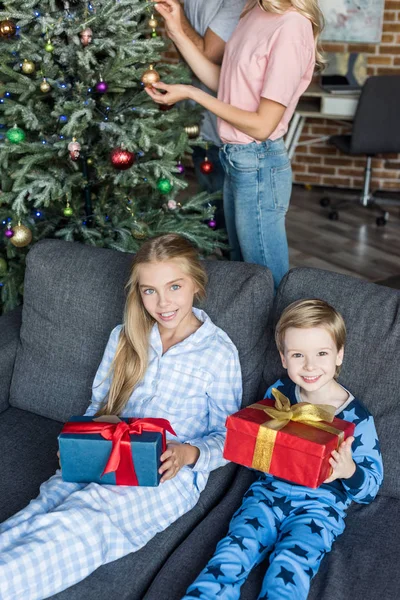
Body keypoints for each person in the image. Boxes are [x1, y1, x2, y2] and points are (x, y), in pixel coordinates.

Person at [0, 234, 242, 599]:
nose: (163, 303)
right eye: (149, 291)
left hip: (165, 472)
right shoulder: (125, 336)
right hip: (107, 452)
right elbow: (98, 405)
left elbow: (229, 438)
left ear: (196, 281)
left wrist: (187, 454)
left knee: (81, 520)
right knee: (45, 506)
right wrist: (88, 433)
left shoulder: (219, 352)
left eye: (174, 286)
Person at [182, 298, 383, 600]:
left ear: (339, 355)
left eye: (322, 353)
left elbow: (371, 487)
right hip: (266, 496)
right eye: (298, 354)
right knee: (232, 552)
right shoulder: (279, 395)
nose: (310, 365)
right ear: (284, 358)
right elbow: (259, 454)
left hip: (319, 509)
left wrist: (348, 470)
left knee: (290, 567)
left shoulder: (357, 418)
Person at [146, 0, 324, 289]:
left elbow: (263, 124)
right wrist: (176, 28)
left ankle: (278, 335)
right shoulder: (252, 10)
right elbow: (225, 85)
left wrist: (192, 92)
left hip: (259, 163)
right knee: (243, 271)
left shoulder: (292, 25)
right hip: (236, 160)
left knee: (267, 282)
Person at [180, 0, 247, 229]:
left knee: (229, 220)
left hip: (228, 134)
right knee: (210, 209)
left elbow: (210, 53)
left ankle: (230, 263)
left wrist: (176, 16)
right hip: (198, 121)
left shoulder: (236, 3)